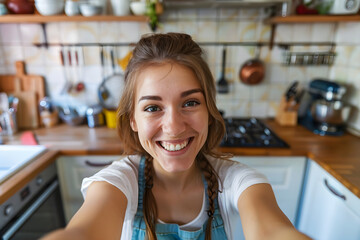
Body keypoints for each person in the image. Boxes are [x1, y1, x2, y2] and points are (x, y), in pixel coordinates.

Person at [42, 33, 310, 240]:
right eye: (152, 108)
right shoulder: (118, 183)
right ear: (133, 119)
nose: (173, 126)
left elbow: (273, 232)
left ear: (210, 110)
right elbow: (84, 233)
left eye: (191, 103)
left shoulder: (237, 182)